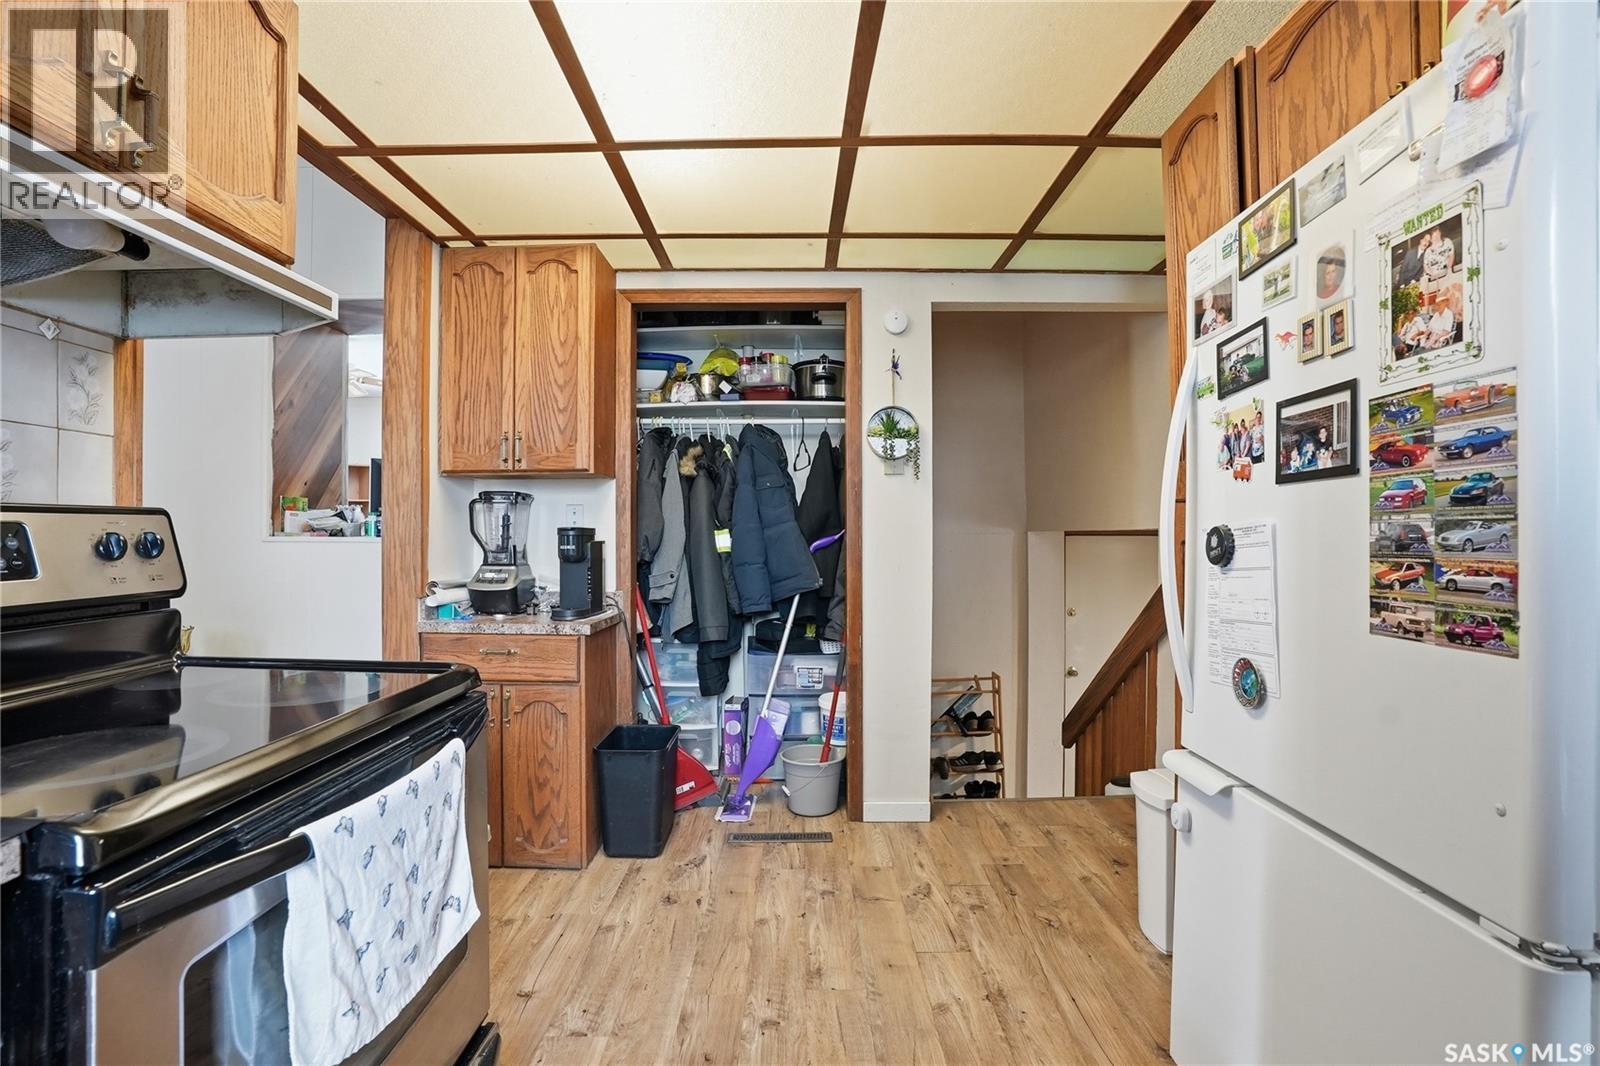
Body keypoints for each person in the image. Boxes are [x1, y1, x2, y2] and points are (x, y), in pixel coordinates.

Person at [1421, 225, 1455, 297]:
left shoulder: (1447, 242)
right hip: (1435, 280)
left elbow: (1451, 256)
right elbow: (1426, 266)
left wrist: (1448, 270)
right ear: (1431, 238)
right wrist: (1432, 275)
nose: (1437, 236)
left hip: (1447, 276)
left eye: (1438, 233)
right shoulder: (1428, 251)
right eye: (1434, 235)